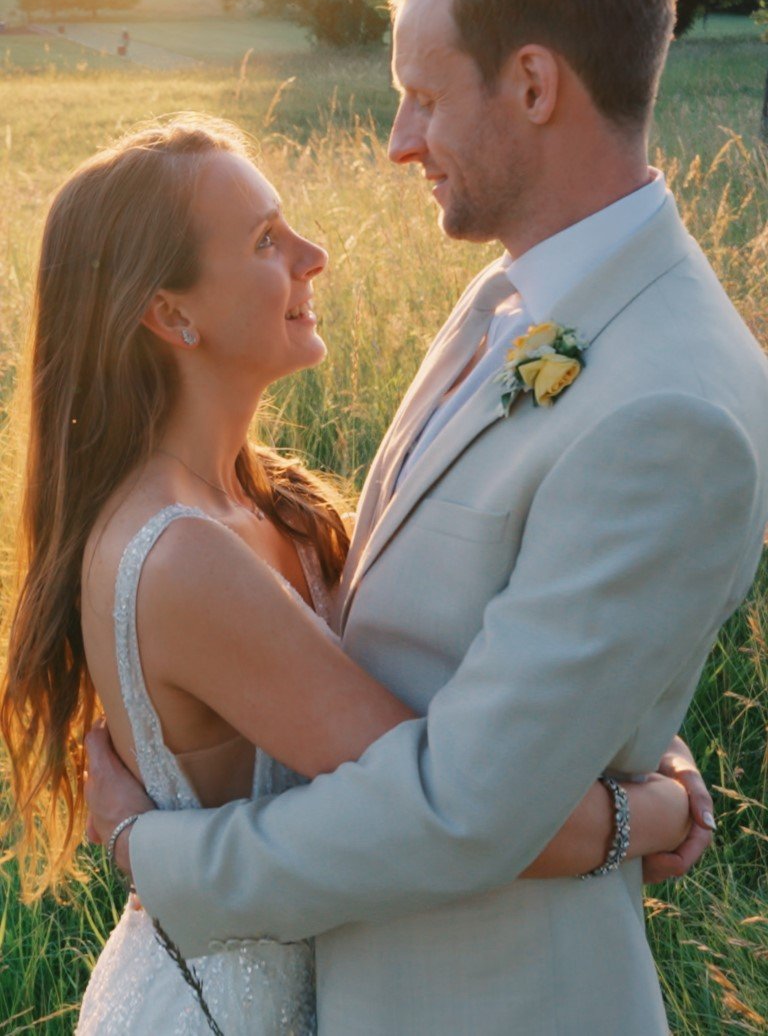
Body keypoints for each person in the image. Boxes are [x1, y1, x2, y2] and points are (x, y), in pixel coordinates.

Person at [86, 0, 768, 1034]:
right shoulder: (508, 295)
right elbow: (515, 659)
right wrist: (640, 795)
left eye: (423, 97)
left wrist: (159, 856)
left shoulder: (670, 405)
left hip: (487, 997)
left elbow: (465, 806)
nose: (401, 141)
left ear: (535, 85)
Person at [0, 117, 697, 1035]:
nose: (313, 255)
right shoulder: (180, 556)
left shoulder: (269, 497)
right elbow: (441, 803)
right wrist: (655, 814)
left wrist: (651, 746)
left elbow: (456, 679)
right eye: (265, 241)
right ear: (172, 315)